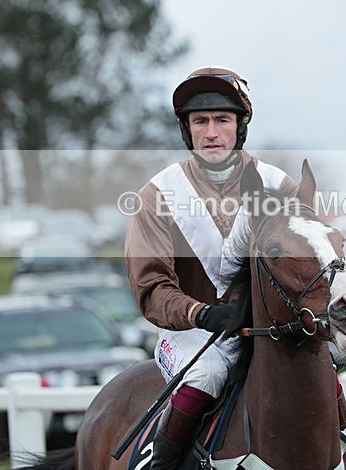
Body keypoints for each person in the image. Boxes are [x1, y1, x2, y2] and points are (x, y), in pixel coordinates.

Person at [125, 66, 299, 469]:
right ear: (187, 131)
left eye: (222, 120)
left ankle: (343, 452)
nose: (211, 132)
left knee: (322, 371)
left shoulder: (280, 188)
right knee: (206, 375)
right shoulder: (156, 196)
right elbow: (150, 286)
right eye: (200, 121)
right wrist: (200, 313)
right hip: (191, 333)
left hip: (265, 329)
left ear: (240, 128)